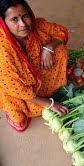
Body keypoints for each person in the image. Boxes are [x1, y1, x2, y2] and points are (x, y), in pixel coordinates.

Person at [0, 0, 69, 132]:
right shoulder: (2, 49)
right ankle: (36, 101)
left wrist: (49, 48)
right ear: (3, 23)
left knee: (59, 50)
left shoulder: (39, 25)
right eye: (14, 19)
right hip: (15, 87)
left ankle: (46, 92)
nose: (23, 24)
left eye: (25, 16)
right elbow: (15, 87)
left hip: (38, 77)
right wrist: (50, 104)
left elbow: (61, 32)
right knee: (18, 117)